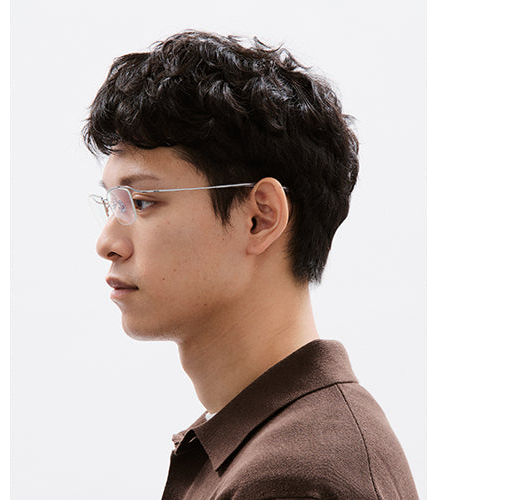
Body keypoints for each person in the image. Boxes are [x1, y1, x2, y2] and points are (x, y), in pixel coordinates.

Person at [84, 30, 418, 500]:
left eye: (142, 202)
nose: (108, 244)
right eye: (112, 204)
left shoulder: (292, 479)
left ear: (260, 217)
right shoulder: (264, 440)